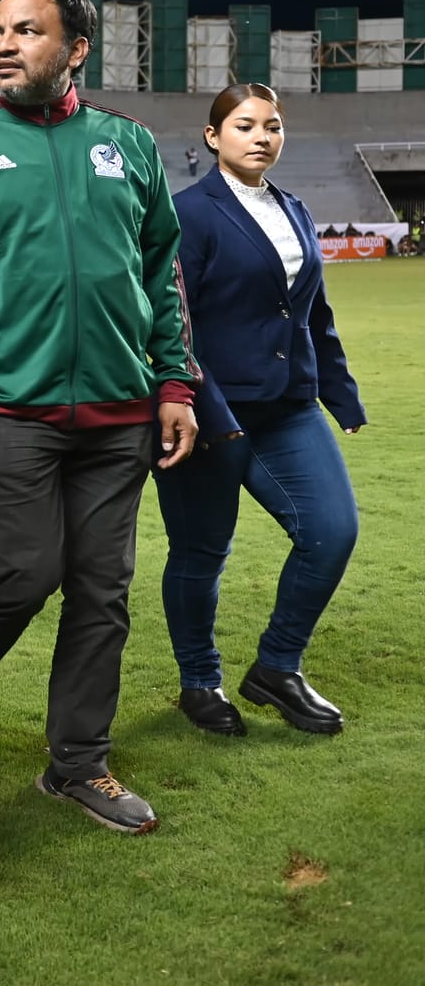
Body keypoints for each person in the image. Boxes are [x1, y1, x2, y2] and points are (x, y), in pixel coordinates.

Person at [0, 0, 199, 835]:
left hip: (118, 412)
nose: (2, 45)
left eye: (26, 31)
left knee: (102, 594)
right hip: (7, 409)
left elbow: (161, 275)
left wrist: (173, 382)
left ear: (75, 49)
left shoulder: (129, 143)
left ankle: (77, 767)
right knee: (25, 572)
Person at [154, 84, 365, 737]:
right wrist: (196, 402)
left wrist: (339, 390)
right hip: (205, 413)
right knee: (201, 553)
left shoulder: (296, 210)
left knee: (332, 532)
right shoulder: (187, 213)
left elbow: (312, 314)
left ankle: (277, 667)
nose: (262, 136)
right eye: (244, 125)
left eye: (272, 125)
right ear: (214, 137)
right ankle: (199, 682)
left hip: (289, 408)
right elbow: (169, 321)